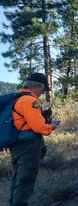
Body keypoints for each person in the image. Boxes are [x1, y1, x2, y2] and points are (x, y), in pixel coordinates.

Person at [9, 72, 60, 206]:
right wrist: (52, 126)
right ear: (37, 86)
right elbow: (39, 128)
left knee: (17, 179)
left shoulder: (18, 98)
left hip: (17, 145)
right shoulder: (30, 101)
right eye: (43, 89)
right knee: (26, 179)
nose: (43, 92)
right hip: (28, 146)